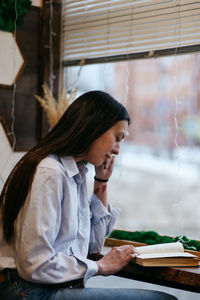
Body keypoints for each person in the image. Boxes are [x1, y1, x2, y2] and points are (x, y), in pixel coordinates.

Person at [0, 91, 177, 299]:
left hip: (47, 287)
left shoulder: (76, 173)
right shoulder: (50, 172)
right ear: (95, 128)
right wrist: (100, 266)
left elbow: (93, 244)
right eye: (117, 138)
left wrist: (101, 181)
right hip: (27, 290)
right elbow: (35, 263)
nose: (117, 150)